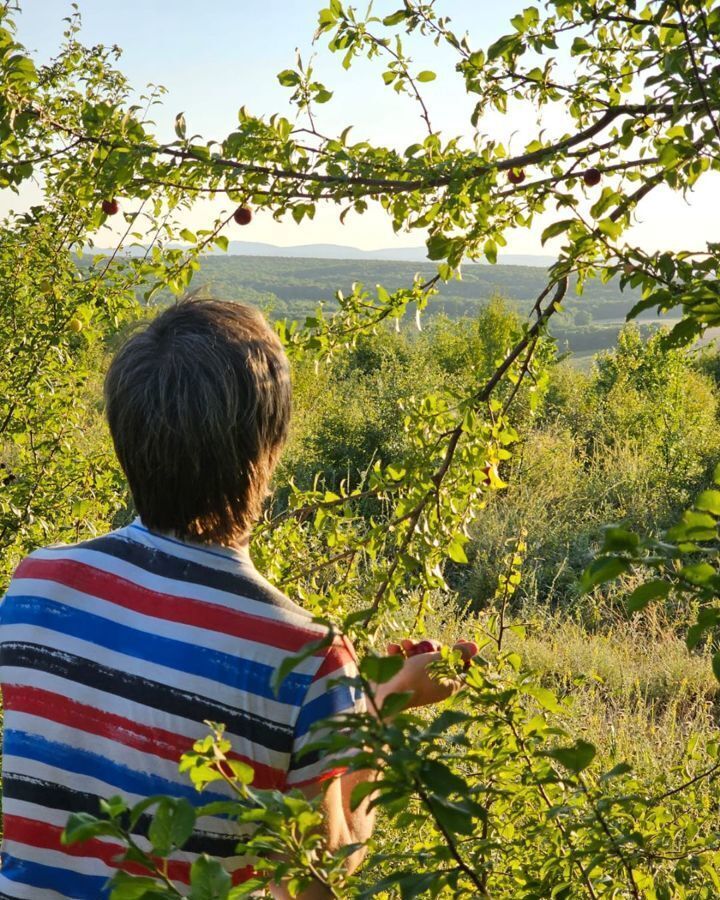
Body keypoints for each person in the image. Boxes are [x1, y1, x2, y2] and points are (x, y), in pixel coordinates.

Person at [0, 298, 476, 899]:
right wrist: (378, 707)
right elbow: (313, 882)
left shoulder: (34, 585)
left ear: (125, 435)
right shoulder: (308, 660)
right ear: (268, 448)